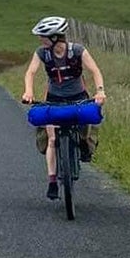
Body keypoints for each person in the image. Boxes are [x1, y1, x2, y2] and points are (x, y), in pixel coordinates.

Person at [20, 16, 107, 201]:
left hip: (78, 98)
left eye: (43, 37)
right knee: (51, 139)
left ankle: (83, 144)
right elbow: (31, 72)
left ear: (54, 38)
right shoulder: (42, 53)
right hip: (54, 99)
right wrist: (28, 91)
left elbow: (95, 71)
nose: (40, 41)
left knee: (84, 130)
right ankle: (52, 181)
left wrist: (100, 92)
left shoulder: (77, 51)